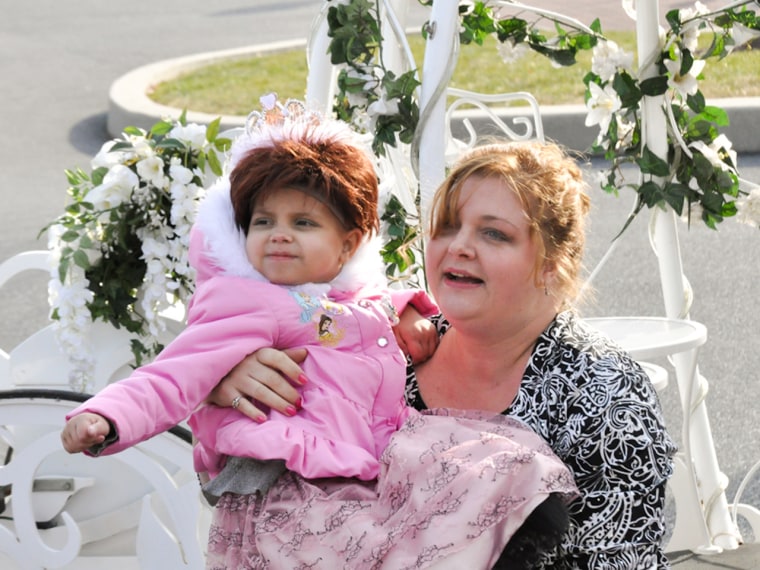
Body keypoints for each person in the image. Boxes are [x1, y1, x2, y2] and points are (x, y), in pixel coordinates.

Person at [60, 100, 578, 569]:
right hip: (292, 481)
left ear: (347, 245)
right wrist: (105, 416)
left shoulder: (343, 297)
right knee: (356, 542)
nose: (279, 233)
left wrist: (405, 312)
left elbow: (353, 314)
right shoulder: (244, 304)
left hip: (365, 455)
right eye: (263, 221)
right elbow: (172, 375)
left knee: (489, 456)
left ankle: (506, 537)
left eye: (304, 223)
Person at [211, 140, 678, 569]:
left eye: (494, 234)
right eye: (447, 227)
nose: (458, 247)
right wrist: (227, 383)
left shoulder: (603, 395)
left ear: (552, 268)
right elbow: (250, 497)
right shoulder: (381, 347)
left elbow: (621, 561)